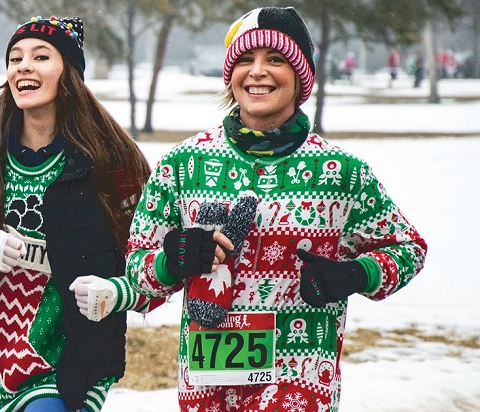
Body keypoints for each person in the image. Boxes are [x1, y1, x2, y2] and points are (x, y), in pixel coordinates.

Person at [74, 6, 428, 411]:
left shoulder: (342, 172)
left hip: (301, 379)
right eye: (245, 60)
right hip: (207, 387)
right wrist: (173, 260)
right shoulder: (184, 164)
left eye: (275, 59)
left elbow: (408, 247)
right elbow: (138, 268)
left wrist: (354, 274)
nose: (257, 71)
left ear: (301, 77)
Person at [0, 15, 160, 412]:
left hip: (75, 358)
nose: (24, 66)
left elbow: (153, 270)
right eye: (15, 58)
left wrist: (116, 292)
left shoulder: (111, 159)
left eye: (41, 56)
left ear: (68, 72)